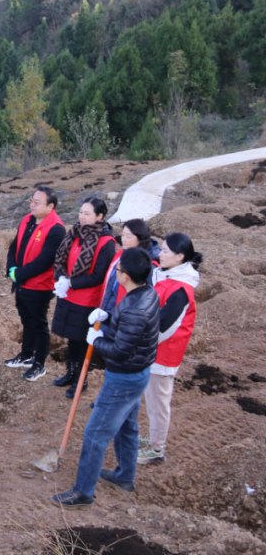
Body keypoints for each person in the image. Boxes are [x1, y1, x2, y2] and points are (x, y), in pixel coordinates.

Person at [53, 248, 159, 507]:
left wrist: (96, 341)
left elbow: (120, 350)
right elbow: (129, 331)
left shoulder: (135, 309)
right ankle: (124, 476)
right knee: (127, 426)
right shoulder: (147, 293)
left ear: (126, 276)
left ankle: (83, 492)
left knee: (95, 434)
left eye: (119, 269)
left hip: (123, 378)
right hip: (138, 373)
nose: (116, 272)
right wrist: (108, 317)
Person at [138, 233, 202, 465]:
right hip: (154, 348)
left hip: (163, 353)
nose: (160, 254)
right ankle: (153, 437)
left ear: (180, 257)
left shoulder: (181, 289)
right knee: (152, 398)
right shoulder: (165, 276)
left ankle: (157, 448)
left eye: (165, 250)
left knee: (159, 401)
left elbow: (166, 325)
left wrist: (141, 341)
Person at [51, 197, 116, 398]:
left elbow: (98, 275)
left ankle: (81, 380)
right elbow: (61, 259)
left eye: (87, 213)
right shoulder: (75, 233)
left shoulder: (106, 242)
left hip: (86, 300)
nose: (82, 217)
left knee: (82, 341)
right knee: (72, 339)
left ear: (100, 216)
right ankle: (70, 373)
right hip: (68, 295)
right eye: (81, 212)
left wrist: (71, 282)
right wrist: (61, 278)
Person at [4, 186, 66, 382]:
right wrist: (12, 268)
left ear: (50, 206)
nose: (32, 205)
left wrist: (19, 274)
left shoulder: (56, 228)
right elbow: (15, 246)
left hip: (40, 285)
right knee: (26, 321)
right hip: (21, 282)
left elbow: (45, 261)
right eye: (32, 200)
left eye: (37, 202)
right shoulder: (27, 220)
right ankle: (26, 354)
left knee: (38, 324)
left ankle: (39, 363)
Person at [98, 218, 155, 321]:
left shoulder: (146, 263)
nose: (124, 239)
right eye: (123, 235)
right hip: (110, 309)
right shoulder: (121, 254)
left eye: (128, 236)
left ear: (140, 237)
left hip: (126, 316)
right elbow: (110, 285)